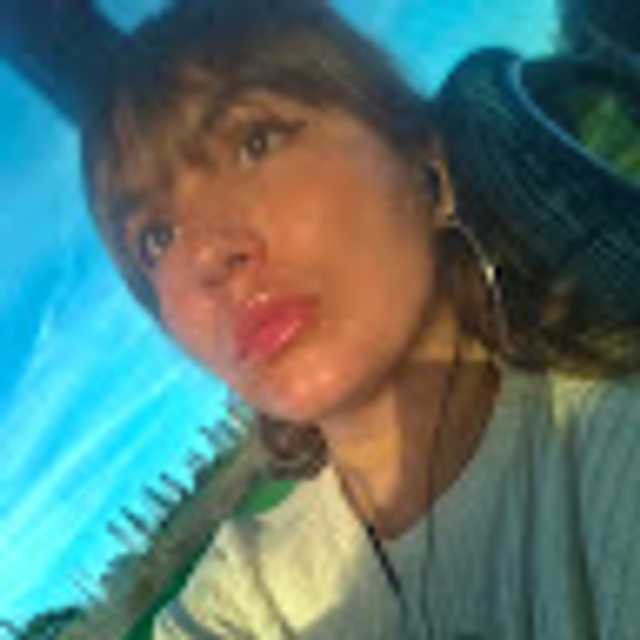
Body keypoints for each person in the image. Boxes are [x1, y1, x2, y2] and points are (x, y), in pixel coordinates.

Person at [80, 0, 640, 637]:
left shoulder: (605, 432)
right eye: (155, 238)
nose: (205, 255)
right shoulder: (237, 602)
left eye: (255, 142)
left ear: (428, 170)